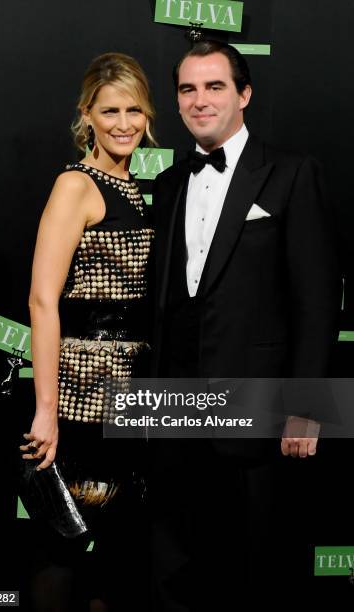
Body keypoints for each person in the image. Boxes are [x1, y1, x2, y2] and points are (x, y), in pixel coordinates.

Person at [149, 40, 340, 609]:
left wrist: (309, 407)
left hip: (258, 415)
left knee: (256, 575)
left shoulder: (292, 173)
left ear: (245, 94)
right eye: (188, 88)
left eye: (215, 86)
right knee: (180, 572)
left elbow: (319, 299)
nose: (200, 100)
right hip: (174, 414)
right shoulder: (168, 184)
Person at [19, 52, 155, 612]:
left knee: (116, 550)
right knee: (66, 545)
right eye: (109, 111)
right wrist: (45, 408)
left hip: (133, 390)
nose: (123, 123)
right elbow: (43, 300)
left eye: (134, 110)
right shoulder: (76, 184)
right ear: (87, 117)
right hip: (84, 391)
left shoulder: (132, 185)